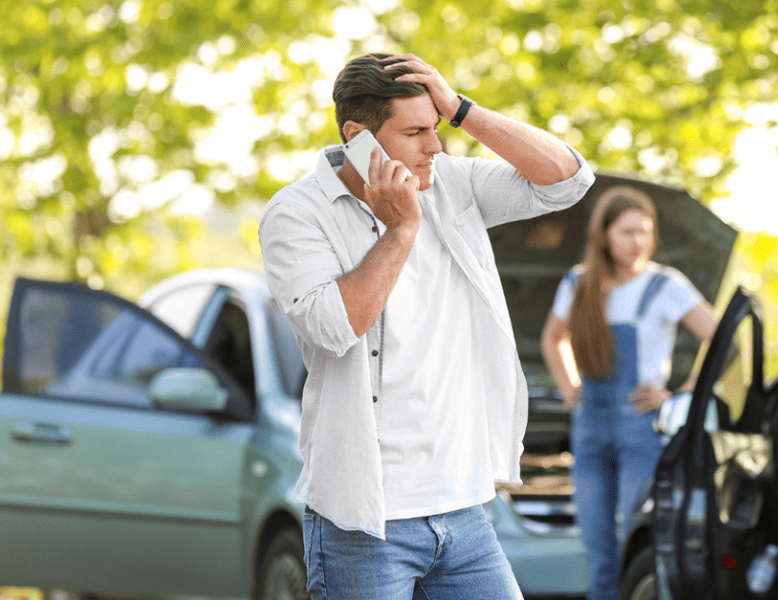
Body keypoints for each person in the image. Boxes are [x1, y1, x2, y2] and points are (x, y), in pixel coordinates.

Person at [259, 52, 595, 600]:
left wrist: (463, 110)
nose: (434, 146)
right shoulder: (296, 213)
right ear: (357, 135)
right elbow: (333, 328)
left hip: (464, 512)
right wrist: (399, 231)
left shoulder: (452, 182)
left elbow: (567, 180)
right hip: (366, 523)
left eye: (436, 127)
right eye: (415, 131)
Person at [541, 185, 718, 600]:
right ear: (603, 234)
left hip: (642, 430)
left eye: (645, 231)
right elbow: (554, 339)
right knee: (598, 550)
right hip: (590, 428)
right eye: (627, 232)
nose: (638, 242)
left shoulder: (666, 285)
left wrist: (679, 395)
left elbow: (723, 341)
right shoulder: (579, 282)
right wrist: (570, 388)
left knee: (634, 543)